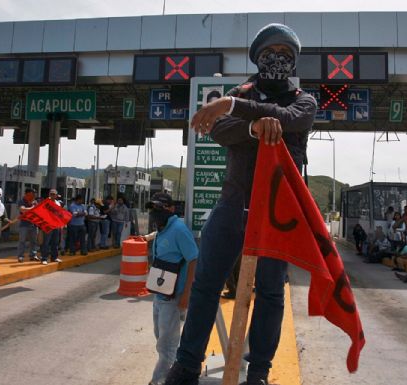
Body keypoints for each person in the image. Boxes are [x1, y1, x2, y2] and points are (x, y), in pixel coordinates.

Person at [163, 23, 317, 385]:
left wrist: (234, 106)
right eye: (270, 53)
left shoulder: (303, 99)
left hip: (278, 214)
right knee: (205, 284)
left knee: (269, 292)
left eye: (285, 54)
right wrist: (253, 126)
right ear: (257, 57)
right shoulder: (241, 89)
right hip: (233, 206)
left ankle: (259, 372)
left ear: (293, 61)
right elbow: (218, 129)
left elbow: (295, 121)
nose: (277, 59)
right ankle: (186, 365)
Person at [143, 193, 198, 385]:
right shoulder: (163, 228)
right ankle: (174, 372)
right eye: (153, 208)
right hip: (160, 295)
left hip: (174, 297)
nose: (155, 212)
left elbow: (193, 259)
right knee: (161, 339)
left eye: (160, 208)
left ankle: (160, 380)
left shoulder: (179, 230)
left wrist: (186, 295)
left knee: (167, 345)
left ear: (171, 209)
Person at [40, 189, 63, 265]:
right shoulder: (46, 202)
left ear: (56, 195)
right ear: (49, 194)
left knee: (55, 242)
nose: (53, 195)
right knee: (46, 242)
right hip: (48, 225)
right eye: (51, 194)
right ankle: (44, 258)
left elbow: (60, 213)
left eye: (54, 194)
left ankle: (54, 257)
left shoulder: (58, 203)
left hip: (56, 225)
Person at [16, 188, 39, 263]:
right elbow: (22, 209)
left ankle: (33, 255)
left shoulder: (35, 202)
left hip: (33, 224)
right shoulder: (21, 201)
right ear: (27, 194)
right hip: (24, 225)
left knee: (33, 241)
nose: (34, 196)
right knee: (22, 241)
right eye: (32, 194)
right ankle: (20, 256)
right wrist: (32, 208)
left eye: (34, 194)